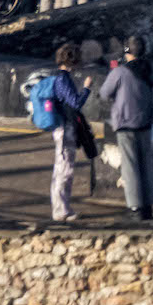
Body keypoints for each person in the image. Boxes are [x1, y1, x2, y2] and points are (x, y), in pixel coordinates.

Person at [100, 35, 153, 221]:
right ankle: (148, 207)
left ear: (127, 51)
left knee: (130, 167)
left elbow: (104, 93)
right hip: (145, 122)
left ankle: (135, 208)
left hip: (125, 124)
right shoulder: (150, 69)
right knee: (147, 164)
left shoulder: (119, 72)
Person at [43, 43, 94, 221]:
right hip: (65, 129)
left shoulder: (60, 78)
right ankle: (61, 211)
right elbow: (76, 103)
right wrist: (87, 88)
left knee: (62, 169)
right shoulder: (63, 80)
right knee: (64, 170)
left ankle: (61, 208)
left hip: (63, 128)